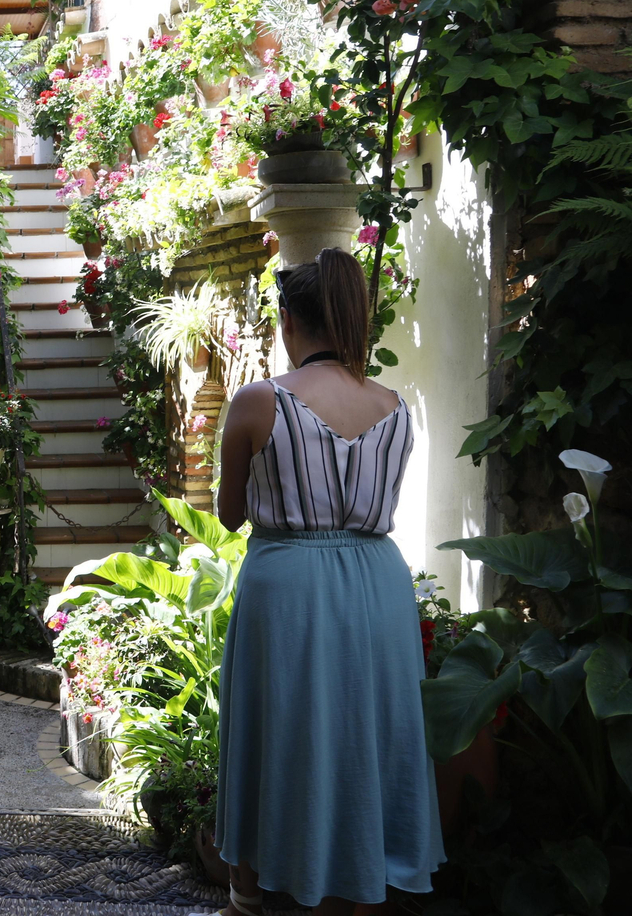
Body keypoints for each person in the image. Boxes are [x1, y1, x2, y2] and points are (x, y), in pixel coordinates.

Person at [203, 249, 441, 916]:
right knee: (368, 728)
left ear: (288, 321)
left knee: (278, 727)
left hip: (289, 583)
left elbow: (229, 513)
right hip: (378, 585)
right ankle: (362, 888)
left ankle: (252, 893)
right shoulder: (396, 409)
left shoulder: (259, 401)